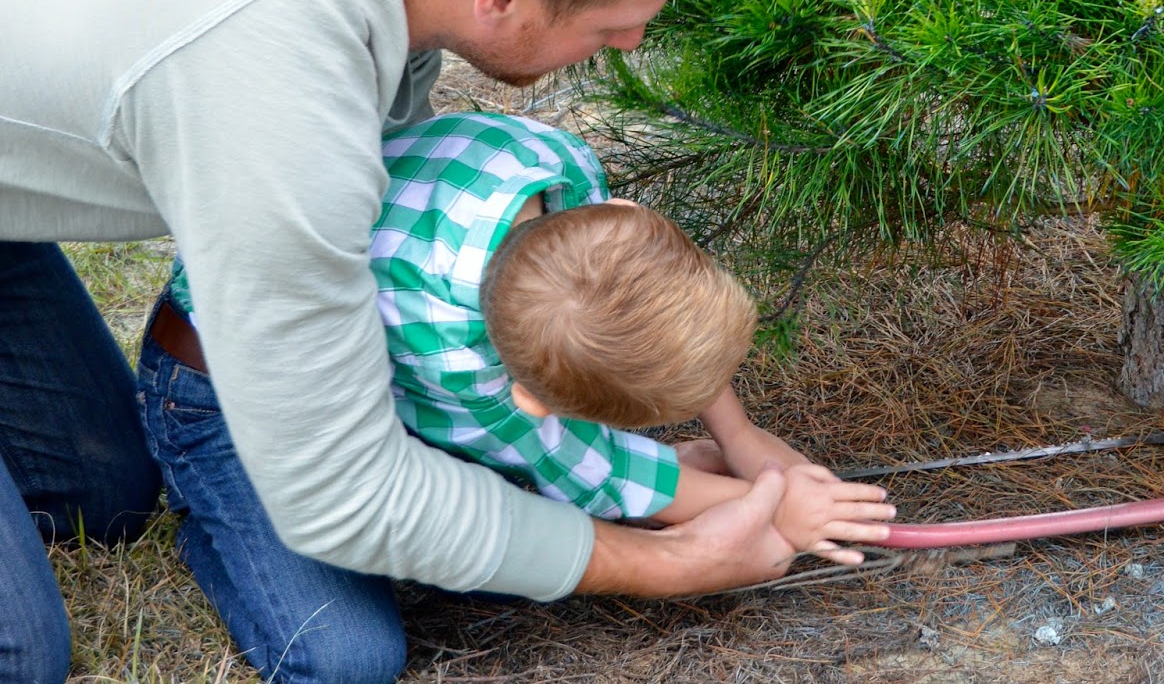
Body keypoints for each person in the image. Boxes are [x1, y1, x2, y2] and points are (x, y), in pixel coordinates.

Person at [0, 0, 873, 682]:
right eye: (612, 24)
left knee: (101, 494)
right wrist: (671, 562)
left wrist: (724, 449)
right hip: (213, 312)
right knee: (30, 654)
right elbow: (341, 495)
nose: (633, 44)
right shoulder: (277, 100)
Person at [142, 112, 894, 681]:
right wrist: (771, 505)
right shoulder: (457, 363)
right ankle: (215, 510)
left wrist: (741, 436)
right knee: (349, 658)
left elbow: (653, 307)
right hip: (225, 396)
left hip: (373, 372)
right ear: (530, 399)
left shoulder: (555, 176)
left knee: (537, 539)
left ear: (629, 217)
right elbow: (593, 466)